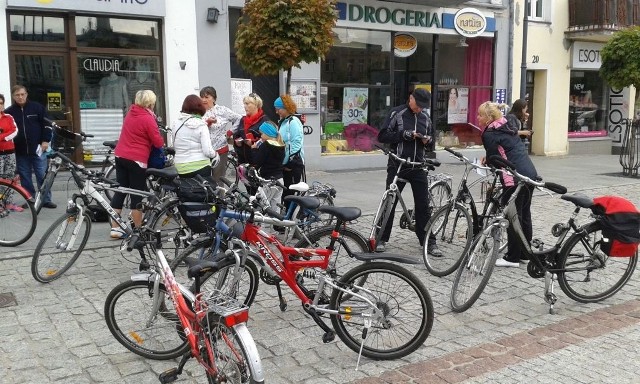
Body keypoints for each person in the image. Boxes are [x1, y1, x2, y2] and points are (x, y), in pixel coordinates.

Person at [376, 88, 440, 255]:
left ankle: (428, 241)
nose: (420, 109)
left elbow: (432, 142)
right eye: (418, 105)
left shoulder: (426, 118)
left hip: (418, 166)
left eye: (423, 107)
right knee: (390, 201)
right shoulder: (397, 113)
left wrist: (427, 141)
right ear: (410, 98)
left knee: (423, 205)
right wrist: (403, 134)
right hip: (398, 164)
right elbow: (382, 136)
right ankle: (381, 238)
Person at [477, 101, 538, 267]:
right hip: (529, 172)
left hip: (514, 177)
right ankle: (525, 253)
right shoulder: (506, 126)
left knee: (511, 215)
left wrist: (488, 162)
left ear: (489, 117)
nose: (478, 118)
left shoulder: (489, 133)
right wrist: (489, 157)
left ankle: (512, 257)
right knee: (524, 214)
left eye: (480, 115)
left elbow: (496, 159)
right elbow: (504, 149)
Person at [110, 90, 165, 239]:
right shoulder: (148, 118)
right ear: (150, 103)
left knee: (120, 190)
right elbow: (158, 142)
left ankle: (115, 229)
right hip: (136, 160)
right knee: (136, 195)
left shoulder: (130, 113)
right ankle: (139, 231)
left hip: (120, 156)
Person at [5, 85, 56, 209]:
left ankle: (46, 200)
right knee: (25, 176)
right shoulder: (9, 112)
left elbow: (48, 125)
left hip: (38, 149)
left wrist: (45, 141)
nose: (20, 97)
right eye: (17, 95)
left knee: (41, 175)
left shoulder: (37, 108)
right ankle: (30, 199)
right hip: (20, 151)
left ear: (26, 94)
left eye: (22, 94)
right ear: (13, 96)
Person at [200, 86, 242, 182]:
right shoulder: (199, 112)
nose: (204, 100)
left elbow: (239, 119)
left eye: (207, 97)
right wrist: (207, 122)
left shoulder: (222, 110)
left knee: (218, 181)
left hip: (220, 150)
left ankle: (220, 197)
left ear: (214, 98)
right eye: (202, 97)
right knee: (204, 181)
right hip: (203, 151)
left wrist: (229, 132)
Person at [172, 94, 219, 178]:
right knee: (203, 190)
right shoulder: (201, 125)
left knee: (186, 190)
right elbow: (207, 151)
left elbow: (175, 145)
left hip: (180, 167)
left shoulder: (176, 123)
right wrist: (215, 154)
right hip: (200, 166)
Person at [275, 94, 304, 203]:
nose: (277, 112)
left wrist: (290, 164)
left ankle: (291, 217)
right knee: (285, 193)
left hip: (293, 164)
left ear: (286, 108)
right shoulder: (284, 122)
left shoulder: (293, 122)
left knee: (290, 194)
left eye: (278, 109)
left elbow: (296, 144)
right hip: (285, 163)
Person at [252, 120, 285, 211]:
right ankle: (276, 225)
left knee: (260, 207)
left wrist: (254, 150)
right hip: (279, 179)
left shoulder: (266, 145)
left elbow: (257, 161)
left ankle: (260, 225)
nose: (261, 136)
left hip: (268, 180)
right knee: (275, 208)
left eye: (262, 134)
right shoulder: (281, 145)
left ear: (267, 133)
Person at [0, 93, 22, 212]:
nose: (0, 106)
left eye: (1, 103)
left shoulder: (8, 117)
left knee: (9, 178)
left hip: (9, 152)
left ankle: (8, 203)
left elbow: (14, 131)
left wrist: (2, 137)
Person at [234, 93, 269, 166]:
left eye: (247, 104)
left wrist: (254, 142)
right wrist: (237, 142)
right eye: (244, 104)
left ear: (256, 105)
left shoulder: (264, 121)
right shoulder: (243, 120)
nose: (245, 106)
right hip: (243, 161)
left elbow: (269, 140)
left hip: (257, 161)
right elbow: (237, 135)